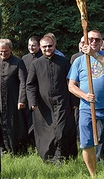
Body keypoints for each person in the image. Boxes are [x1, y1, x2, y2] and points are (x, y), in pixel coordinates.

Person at [68, 30, 104, 178]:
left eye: (97, 40)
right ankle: (94, 176)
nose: (93, 42)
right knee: (87, 143)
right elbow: (71, 86)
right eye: (90, 39)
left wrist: (94, 54)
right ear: (85, 41)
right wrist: (84, 95)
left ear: (101, 42)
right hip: (87, 107)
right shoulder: (79, 61)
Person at [26, 35, 78, 163]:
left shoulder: (64, 62)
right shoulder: (35, 64)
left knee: (62, 129)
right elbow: (30, 84)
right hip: (44, 104)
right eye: (44, 47)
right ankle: (50, 157)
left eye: (50, 46)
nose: (47, 49)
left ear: (54, 45)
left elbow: (71, 82)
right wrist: (32, 102)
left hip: (62, 102)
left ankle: (64, 155)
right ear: (40, 47)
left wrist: (74, 102)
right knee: (47, 132)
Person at [0, 39, 28, 155]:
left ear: (10, 49)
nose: (3, 54)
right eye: (0, 52)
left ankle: (16, 149)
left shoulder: (18, 62)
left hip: (13, 98)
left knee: (14, 124)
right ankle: (1, 148)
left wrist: (22, 99)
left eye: (5, 52)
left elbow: (23, 82)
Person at [22, 36, 42, 147]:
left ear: (39, 46)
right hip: (27, 92)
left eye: (34, 45)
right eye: (29, 45)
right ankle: (30, 142)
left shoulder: (42, 57)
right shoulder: (24, 58)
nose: (31, 47)